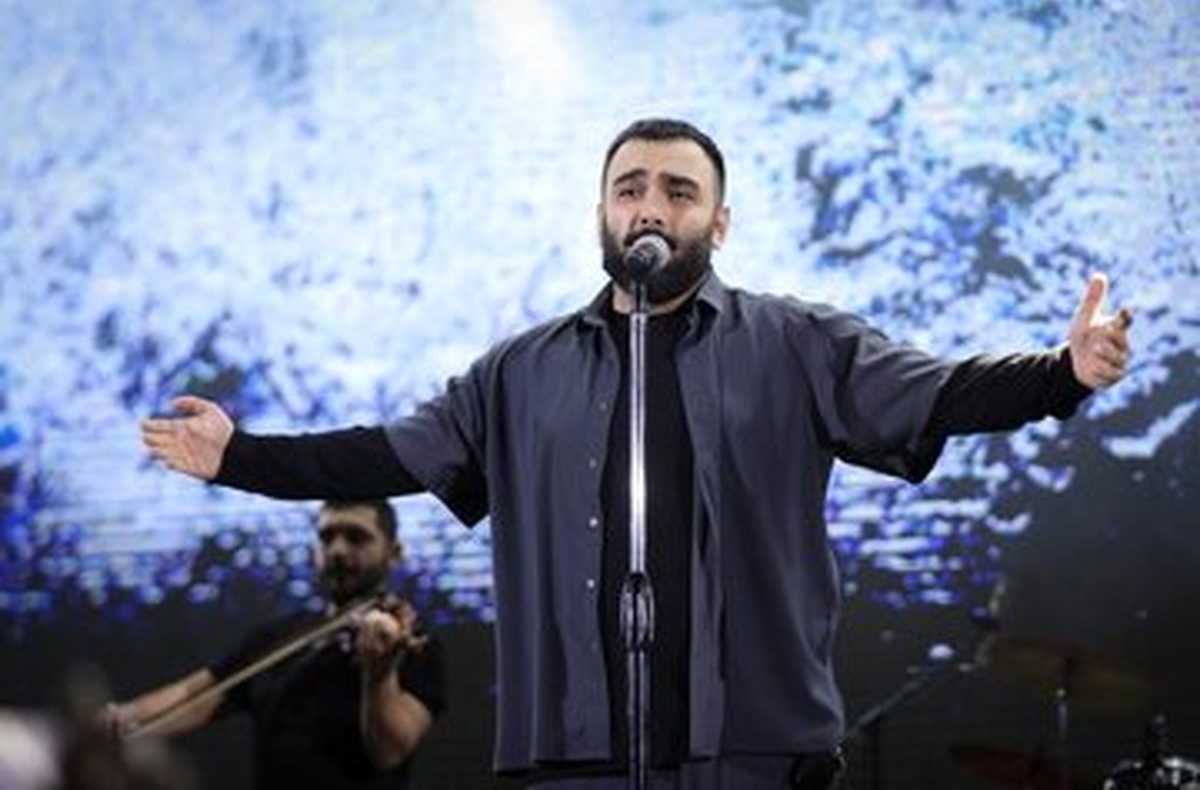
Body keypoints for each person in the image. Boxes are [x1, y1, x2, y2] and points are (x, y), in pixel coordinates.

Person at [140, 118, 1132, 789]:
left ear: (719, 221)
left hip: (753, 748)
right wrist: (240, 456)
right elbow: (388, 454)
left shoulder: (796, 342)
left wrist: (1062, 373)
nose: (651, 207)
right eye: (630, 189)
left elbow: (940, 391)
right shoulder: (519, 371)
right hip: (577, 750)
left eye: (679, 191)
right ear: (602, 215)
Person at [108, 500, 445, 790]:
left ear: (394, 553)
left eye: (356, 537)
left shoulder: (414, 642)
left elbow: (389, 752)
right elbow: (193, 695)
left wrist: (379, 674)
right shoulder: (279, 635)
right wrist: (119, 719)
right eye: (327, 537)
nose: (338, 550)